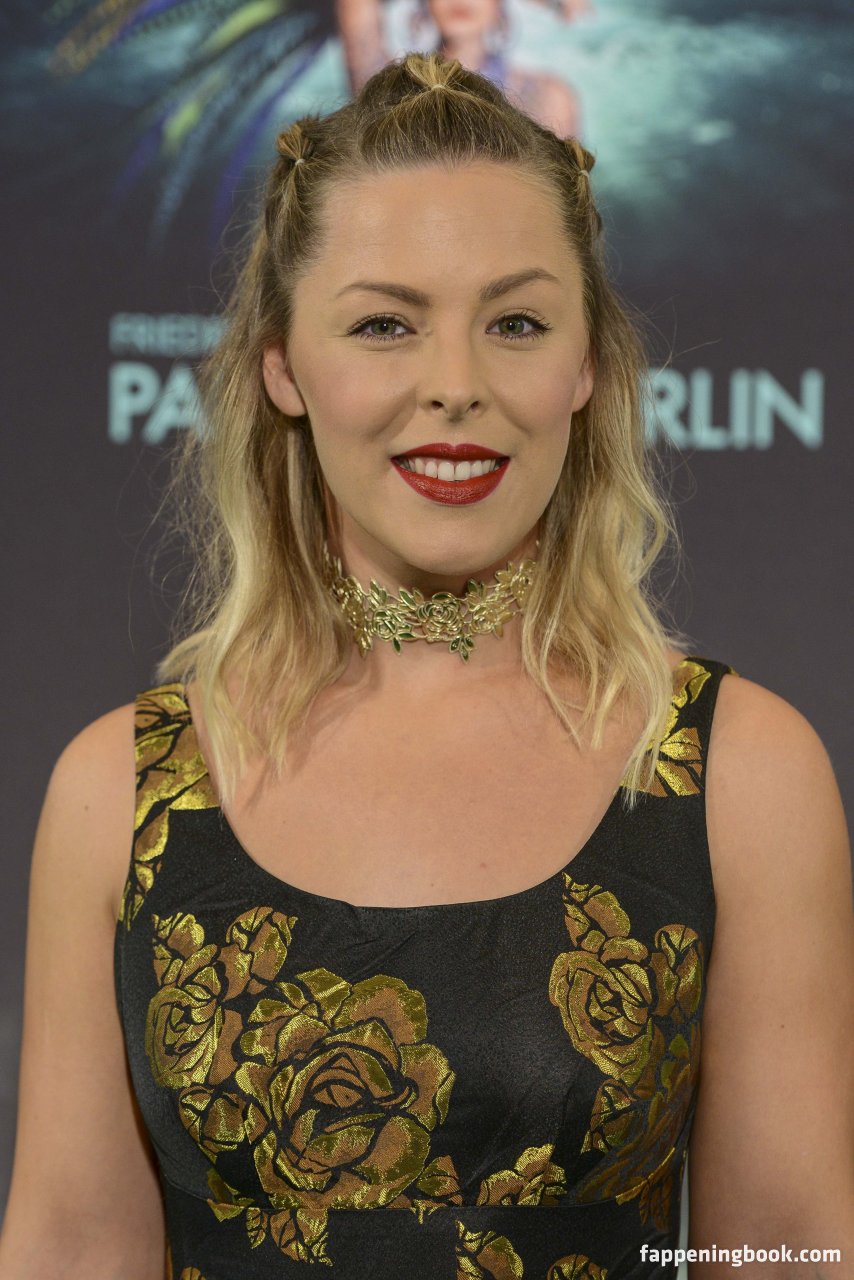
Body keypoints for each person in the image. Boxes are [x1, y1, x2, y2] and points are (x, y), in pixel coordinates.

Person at [1, 49, 852, 1280]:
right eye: (383, 325)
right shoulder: (124, 788)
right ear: (283, 368)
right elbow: (73, 1246)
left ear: (585, 367)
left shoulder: (737, 773)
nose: (454, 386)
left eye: (514, 323)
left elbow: (782, 1249)